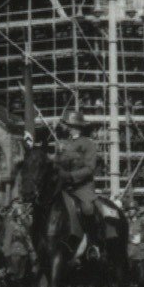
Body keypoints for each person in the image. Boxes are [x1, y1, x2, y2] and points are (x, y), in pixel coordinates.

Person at [51, 110, 102, 259]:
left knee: (87, 208)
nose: (65, 127)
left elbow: (90, 168)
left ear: (75, 126)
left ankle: (93, 244)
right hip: (63, 187)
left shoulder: (89, 144)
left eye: (67, 125)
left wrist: (71, 176)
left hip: (82, 187)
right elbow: (56, 164)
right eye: (65, 124)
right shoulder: (62, 145)